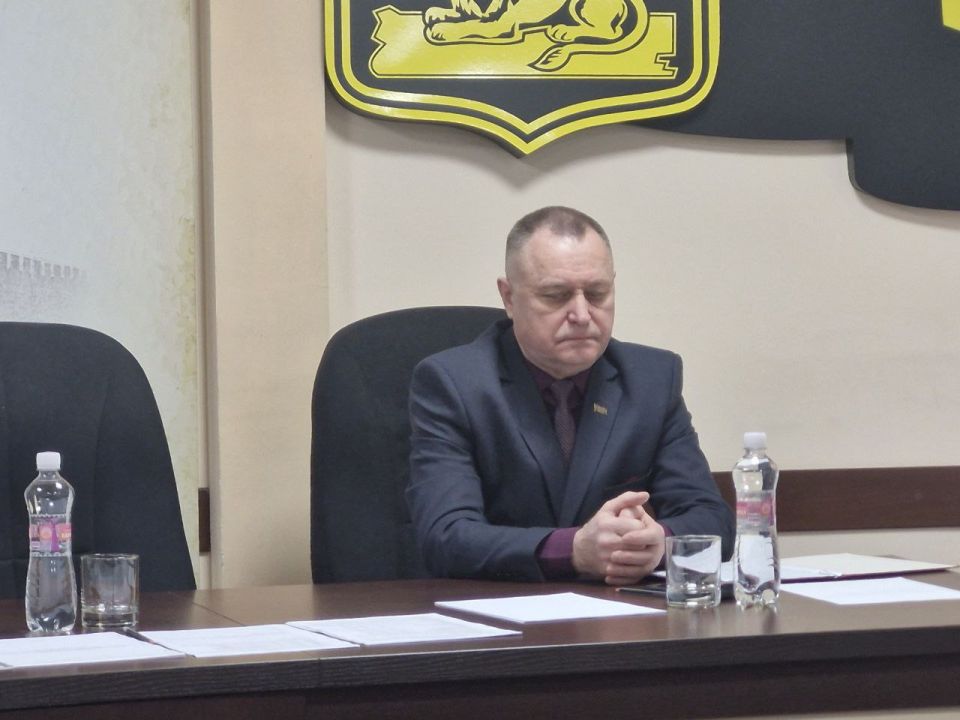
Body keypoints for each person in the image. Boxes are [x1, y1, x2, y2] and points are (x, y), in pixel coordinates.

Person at [407, 206, 733, 584]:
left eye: (597, 293)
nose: (581, 314)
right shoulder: (454, 384)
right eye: (556, 295)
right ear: (509, 297)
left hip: (620, 609)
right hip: (501, 607)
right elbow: (446, 537)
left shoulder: (652, 379)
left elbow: (713, 519)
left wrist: (658, 541)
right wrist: (573, 549)